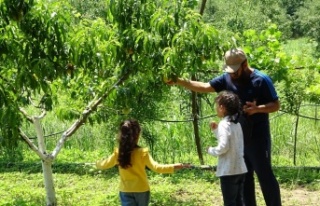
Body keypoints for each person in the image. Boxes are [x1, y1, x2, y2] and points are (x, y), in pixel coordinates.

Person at [167, 48, 282, 206]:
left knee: (265, 176)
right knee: (244, 178)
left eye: (235, 70)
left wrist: (257, 109)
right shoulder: (227, 78)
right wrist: (179, 81)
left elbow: (276, 105)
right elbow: (205, 86)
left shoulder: (261, 80)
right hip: (237, 139)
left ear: (245, 64)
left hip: (258, 138)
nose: (232, 74)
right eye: (230, 70)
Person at [96, 119, 188, 206]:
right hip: (142, 190)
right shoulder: (143, 153)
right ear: (138, 135)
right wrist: (176, 166)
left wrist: (96, 163)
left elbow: (104, 164)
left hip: (125, 190)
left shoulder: (119, 153)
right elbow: (157, 167)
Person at [207, 91, 247, 206]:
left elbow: (224, 146)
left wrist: (211, 150)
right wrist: (216, 130)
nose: (216, 109)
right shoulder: (236, 124)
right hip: (240, 169)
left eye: (217, 106)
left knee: (229, 203)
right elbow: (232, 141)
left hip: (228, 171)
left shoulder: (224, 124)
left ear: (222, 107)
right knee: (239, 201)